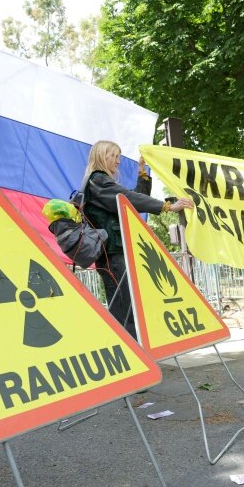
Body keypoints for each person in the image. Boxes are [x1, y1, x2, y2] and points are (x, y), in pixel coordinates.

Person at [82, 140, 193, 339]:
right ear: (101, 156)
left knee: (127, 304)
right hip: (113, 253)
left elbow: (132, 200)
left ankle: (133, 349)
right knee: (124, 306)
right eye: (114, 156)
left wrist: (142, 171)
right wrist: (167, 206)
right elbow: (127, 198)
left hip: (116, 252)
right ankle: (132, 351)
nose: (118, 162)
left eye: (118, 157)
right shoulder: (97, 180)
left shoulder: (101, 182)